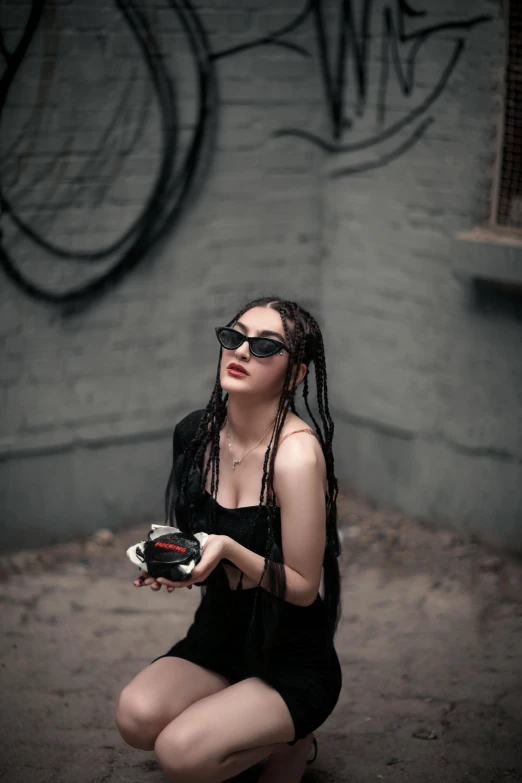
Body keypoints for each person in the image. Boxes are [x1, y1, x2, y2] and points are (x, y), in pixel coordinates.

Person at [115, 295, 343, 783]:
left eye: (264, 346)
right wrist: (174, 565)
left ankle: (292, 740)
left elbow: (304, 587)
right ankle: (236, 720)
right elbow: (198, 536)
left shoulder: (296, 457)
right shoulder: (196, 434)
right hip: (218, 636)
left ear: (297, 374)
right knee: (135, 717)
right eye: (234, 337)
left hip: (291, 655)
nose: (241, 352)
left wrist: (230, 550)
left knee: (180, 755)